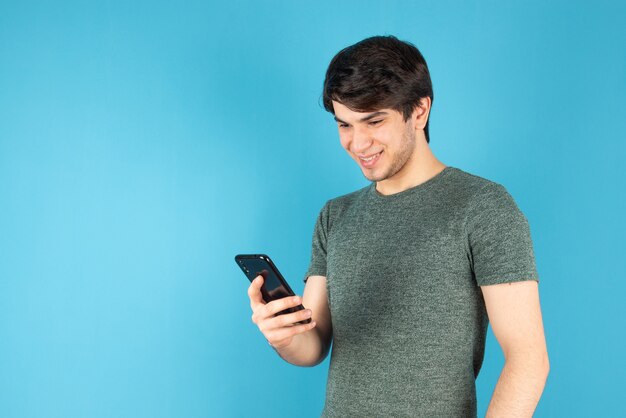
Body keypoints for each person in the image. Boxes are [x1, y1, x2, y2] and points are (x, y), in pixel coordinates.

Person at [248, 35, 549, 417]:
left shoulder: (482, 206)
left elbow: (528, 360)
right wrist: (283, 334)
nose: (358, 143)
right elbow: (313, 345)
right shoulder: (335, 215)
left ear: (419, 111)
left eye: (374, 121)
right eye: (345, 125)